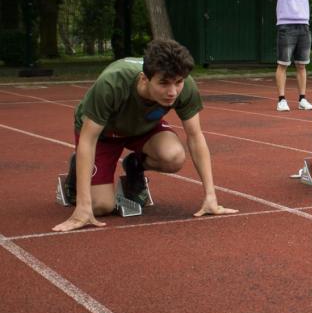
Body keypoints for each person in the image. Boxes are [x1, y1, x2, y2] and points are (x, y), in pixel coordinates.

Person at [52, 39, 237, 232]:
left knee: (173, 157)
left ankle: (134, 166)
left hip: (143, 128)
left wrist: (210, 197)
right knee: (100, 206)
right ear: (143, 79)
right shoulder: (112, 83)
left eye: (178, 83)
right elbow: (88, 140)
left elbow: (196, 136)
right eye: (164, 84)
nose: (172, 92)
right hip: (103, 134)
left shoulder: (185, 85)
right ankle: (76, 175)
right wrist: (83, 207)